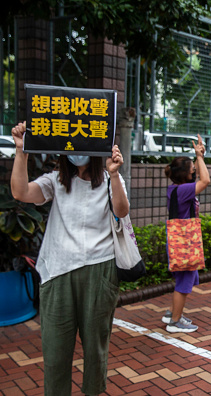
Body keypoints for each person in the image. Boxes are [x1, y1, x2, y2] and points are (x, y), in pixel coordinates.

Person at [10, 121, 129, 395]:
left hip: (99, 270)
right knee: (55, 350)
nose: (78, 149)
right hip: (57, 271)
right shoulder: (56, 180)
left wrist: (113, 175)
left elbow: (121, 212)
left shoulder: (111, 178)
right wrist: (21, 151)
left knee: (96, 348)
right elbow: (20, 192)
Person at [162, 134, 210, 333]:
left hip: (179, 240)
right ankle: (174, 321)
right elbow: (205, 180)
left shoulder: (176, 189)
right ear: (186, 175)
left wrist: (199, 157)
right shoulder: (184, 191)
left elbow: (200, 176)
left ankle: (172, 313)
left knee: (184, 279)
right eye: (192, 169)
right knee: (184, 281)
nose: (195, 171)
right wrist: (199, 156)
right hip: (185, 242)